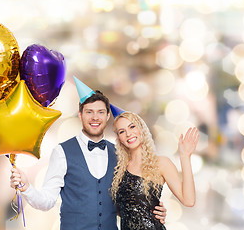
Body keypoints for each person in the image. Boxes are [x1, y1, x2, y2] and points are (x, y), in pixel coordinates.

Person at [10, 85, 167, 230]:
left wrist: (153, 210)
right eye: (89, 112)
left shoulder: (120, 155)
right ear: (80, 115)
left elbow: (127, 200)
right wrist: (26, 187)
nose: (95, 117)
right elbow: (46, 202)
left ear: (107, 117)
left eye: (100, 112)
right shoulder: (62, 152)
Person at [111, 111, 199, 230]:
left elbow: (188, 200)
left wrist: (185, 156)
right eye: (122, 131)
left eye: (132, 126)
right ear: (119, 139)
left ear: (141, 128)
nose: (128, 133)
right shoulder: (120, 170)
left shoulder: (161, 163)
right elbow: (122, 209)